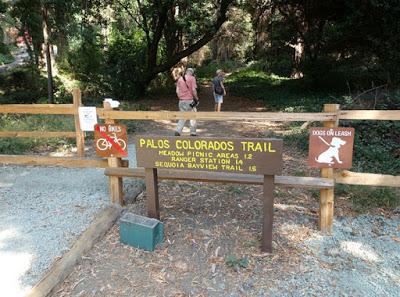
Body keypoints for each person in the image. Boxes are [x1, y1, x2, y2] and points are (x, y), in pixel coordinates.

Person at [175, 68, 199, 136]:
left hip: (181, 101)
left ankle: (178, 130)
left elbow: (177, 91)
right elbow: (194, 90)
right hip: (190, 101)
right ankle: (193, 132)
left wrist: (180, 97)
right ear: (192, 73)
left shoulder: (180, 79)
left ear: (186, 72)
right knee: (193, 116)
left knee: (182, 116)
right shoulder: (192, 78)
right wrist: (196, 98)